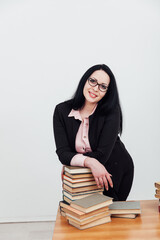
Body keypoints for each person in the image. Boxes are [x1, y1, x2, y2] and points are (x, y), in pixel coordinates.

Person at [53, 64, 134, 201]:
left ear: (107, 92)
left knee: (108, 217)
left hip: (114, 171)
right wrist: (88, 162)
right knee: (80, 215)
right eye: (93, 81)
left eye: (102, 86)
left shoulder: (111, 112)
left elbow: (102, 155)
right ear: (85, 80)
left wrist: (74, 160)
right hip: (83, 175)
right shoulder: (61, 111)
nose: (95, 89)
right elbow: (62, 153)